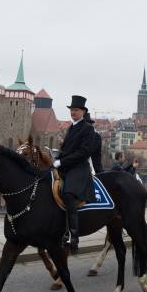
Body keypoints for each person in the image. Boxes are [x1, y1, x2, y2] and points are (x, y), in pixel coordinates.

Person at [52, 95, 96, 254]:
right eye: (71, 110)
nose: (73, 112)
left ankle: (73, 236)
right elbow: (67, 149)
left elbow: (84, 152)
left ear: (83, 112)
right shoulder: (71, 127)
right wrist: (57, 158)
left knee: (69, 194)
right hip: (66, 165)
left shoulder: (88, 128)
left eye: (76, 110)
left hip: (79, 168)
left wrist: (62, 162)